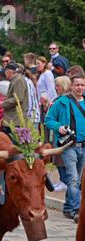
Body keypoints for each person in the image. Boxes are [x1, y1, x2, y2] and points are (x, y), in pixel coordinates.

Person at [45, 74, 85, 223]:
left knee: (77, 180)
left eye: (82, 85)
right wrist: (58, 127)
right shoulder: (61, 102)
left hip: (84, 147)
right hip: (69, 146)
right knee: (73, 179)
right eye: (77, 85)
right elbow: (48, 120)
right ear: (71, 86)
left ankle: (68, 207)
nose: (80, 88)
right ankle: (77, 210)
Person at [1, 63, 29, 136]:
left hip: (16, 120)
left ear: (9, 72)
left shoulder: (18, 80)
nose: (5, 74)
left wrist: (3, 104)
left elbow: (18, 99)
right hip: (13, 119)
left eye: (5, 71)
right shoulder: (15, 80)